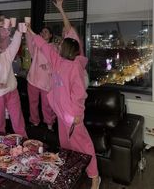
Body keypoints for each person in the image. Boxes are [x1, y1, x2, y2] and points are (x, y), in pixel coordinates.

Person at [26, 23, 100, 189]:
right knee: (66, 147)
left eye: (61, 45)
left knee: (85, 147)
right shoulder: (57, 61)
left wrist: (77, 114)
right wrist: (30, 30)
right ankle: (72, 174)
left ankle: (95, 177)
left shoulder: (75, 68)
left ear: (67, 48)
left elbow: (80, 95)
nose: (58, 46)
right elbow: (44, 46)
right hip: (61, 115)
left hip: (73, 117)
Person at [26, 26, 56, 130]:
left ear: (51, 35)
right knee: (33, 103)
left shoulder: (54, 47)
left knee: (47, 104)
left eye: (46, 31)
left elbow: (57, 64)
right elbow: (30, 41)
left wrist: (48, 67)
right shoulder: (36, 46)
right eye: (42, 31)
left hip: (46, 81)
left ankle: (49, 123)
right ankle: (34, 121)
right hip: (33, 79)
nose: (43, 33)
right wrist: (27, 30)